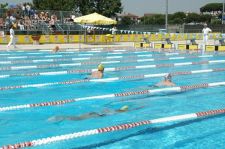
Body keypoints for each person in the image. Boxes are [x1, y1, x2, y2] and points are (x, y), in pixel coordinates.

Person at [48, 105, 144, 122]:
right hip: (95, 114)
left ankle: (61, 117)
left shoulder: (112, 111)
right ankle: (61, 118)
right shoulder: (114, 112)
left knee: (77, 117)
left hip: (92, 114)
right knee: (77, 118)